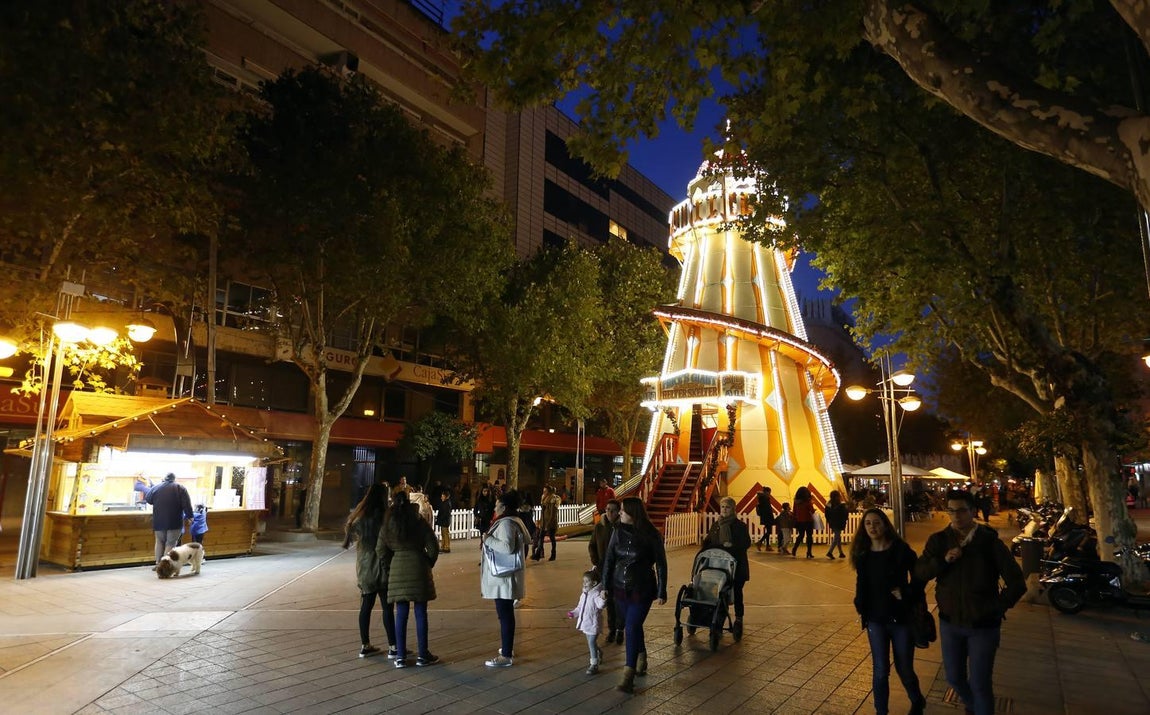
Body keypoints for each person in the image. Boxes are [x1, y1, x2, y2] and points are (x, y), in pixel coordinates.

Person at [916, 489, 1026, 715]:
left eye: (962, 511)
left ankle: (980, 708)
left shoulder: (988, 542)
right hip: (950, 623)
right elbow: (920, 572)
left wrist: (997, 607)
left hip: (983, 626)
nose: (956, 516)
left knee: (980, 683)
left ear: (973, 511)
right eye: (952, 511)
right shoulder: (938, 541)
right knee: (954, 678)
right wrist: (943, 561)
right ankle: (974, 707)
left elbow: (1016, 582)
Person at [851, 508, 927, 715]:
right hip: (875, 619)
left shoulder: (901, 550)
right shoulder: (863, 555)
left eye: (876, 522)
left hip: (900, 618)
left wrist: (907, 592)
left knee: (904, 668)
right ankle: (881, 711)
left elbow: (919, 577)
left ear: (885, 524)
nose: (872, 527)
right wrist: (859, 603)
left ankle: (917, 700)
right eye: (868, 523)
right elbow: (862, 582)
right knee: (880, 669)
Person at [601, 496, 667, 694]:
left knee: (631, 626)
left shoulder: (651, 535)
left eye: (622, 510)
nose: (619, 513)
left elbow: (661, 564)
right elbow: (610, 559)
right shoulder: (617, 532)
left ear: (633, 513)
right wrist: (606, 585)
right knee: (633, 625)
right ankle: (641, 654)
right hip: (620, 588)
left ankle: (628, 675)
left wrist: (662, 589)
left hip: (642, 588)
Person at [379, 490, 440, 668]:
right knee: (421, 612)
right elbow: (433, 545)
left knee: (401, 613)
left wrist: (389, 566)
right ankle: (423, 655)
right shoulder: (418, 520)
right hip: (419, 567)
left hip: (397, 568)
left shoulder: (388, 523)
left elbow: (380, 550)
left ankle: (400, 656)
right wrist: (428, 562)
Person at [342, 484, 397, 659]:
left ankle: (365, 645)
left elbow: (350, 531)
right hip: (383, 566)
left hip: (365, 567)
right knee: (387, 608)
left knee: (366, 606)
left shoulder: (361, 518)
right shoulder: (386, 517)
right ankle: (393, 646)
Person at [480, 489, 530, 667]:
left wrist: (488, 539)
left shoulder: (507, 524)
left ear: (504, 506)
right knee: (505, 614)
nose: (495, 506)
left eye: (497, 504)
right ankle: (507, 647)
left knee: (505, 615)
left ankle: (506, 655)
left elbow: (507, 547)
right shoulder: (511, 521)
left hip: (504, 577)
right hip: (505, 577)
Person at [701, 496, 751, 626]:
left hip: (737, 566)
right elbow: (709, 541)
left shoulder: (740, 526)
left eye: (727, 507)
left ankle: (739, 617)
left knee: (737, 593)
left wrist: (732, 546)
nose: (724, 509)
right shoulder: (716, 525)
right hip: (719, 566)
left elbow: (746, 543)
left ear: (733, 509)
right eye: (722, 507)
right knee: (720, 593)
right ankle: (720, 618)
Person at [588, 499, 622, 644]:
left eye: (612, 510)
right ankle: (612, 629)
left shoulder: (622, 528)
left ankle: (620, 629)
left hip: (619, 570)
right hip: (604, 569)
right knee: (608, 599)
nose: (609, 513)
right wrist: (596, 561)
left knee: (619, 601)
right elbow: (592, 545)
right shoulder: (600, 527)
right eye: (607, 509)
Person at [144, 473, 194, 568]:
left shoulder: (156, 487)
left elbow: (148, 499)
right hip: (174, 521)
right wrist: (190, 516)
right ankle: (165, 565)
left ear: (164, 478)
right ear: (174, 479)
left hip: (158, 521)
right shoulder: (180, 488)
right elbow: (187, 504)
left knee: (159, 541)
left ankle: (158, 563)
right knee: (170, 543)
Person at [567, 569, 607, 674]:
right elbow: (580, 607)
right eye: (583, 581)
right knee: (591, 643)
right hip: (586, 623)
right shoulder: (584, 594)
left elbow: (600, 605)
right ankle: (599, 652)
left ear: (594, 583)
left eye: (586, 581)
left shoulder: (596, 594)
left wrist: (603, 598)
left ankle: (594, 664)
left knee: (591, 642)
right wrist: (574, 613)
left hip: (594, 624)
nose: (584, 584)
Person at [533, 485, 561, 561]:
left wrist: (549, 523)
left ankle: (553, 554)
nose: (544, 492)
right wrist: (540, 521)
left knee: (552, 538)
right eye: (543, 491)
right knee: (540, 538)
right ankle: (538, 554)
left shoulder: (553, 499)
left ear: (549, 491)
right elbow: (543, 512)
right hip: (544, 522)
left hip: (550, 523)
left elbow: (553, 513)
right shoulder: (544, 498)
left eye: (545, 491)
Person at [791, 486, 815, 558]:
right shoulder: (807, 501)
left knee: (801, 535)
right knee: (809, 536)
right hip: (808, 520)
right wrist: (812, 502)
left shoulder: (796, 501)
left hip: (800, 521)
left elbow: (794, 511)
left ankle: (794, 548)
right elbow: (812, 511)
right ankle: (809, 552)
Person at [825, 491, 848, 559]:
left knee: (838, 537)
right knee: (837, 537)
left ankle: (841, 553)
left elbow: (827, 514)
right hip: (837, 523)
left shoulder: (828, 505)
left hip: (833, 522)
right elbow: (844, 513)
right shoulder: (841, 505)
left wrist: (829, 520)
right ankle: (830, 552)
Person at [755, 486, 775, 551]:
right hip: (767, 516)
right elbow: (767, 509)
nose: (770, 493)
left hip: (765, 516)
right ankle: (760, 542)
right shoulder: (765, 498)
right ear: (766, 492)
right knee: (769, 531)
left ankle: (767, 546)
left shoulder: (761, 498)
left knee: (768, 531)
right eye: (769, 492)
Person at [435, 488, 453, 553]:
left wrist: (440, 518)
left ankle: (447, 547)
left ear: (446, 496)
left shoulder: (447, 503)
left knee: (445, 534)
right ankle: (443, 546)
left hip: (445, 521)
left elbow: (445, 513)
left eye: (442, 496)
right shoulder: (445, 503)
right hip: (443, 521)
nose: (441, 497)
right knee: (443, 533)